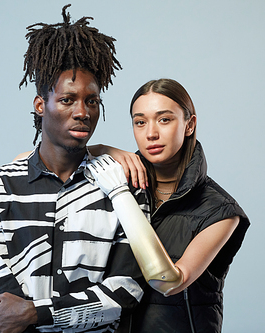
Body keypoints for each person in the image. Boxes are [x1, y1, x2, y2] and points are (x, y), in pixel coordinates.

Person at [0, 5, 149, 333]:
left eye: (92, 101)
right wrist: (31, 314)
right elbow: (2, 307)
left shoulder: (124, 184)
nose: (82, 111)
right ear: (41, 105)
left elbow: (125, 293)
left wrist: (35, 313)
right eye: (68, 100)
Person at [86, 78, 250, 333]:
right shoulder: (115, 178)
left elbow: (169, 282)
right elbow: (30, 163)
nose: (151, 133)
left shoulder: (220, 210)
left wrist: (121, 195)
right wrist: (104, 150)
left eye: (164, 119)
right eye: (140, 122)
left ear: (189, 125)